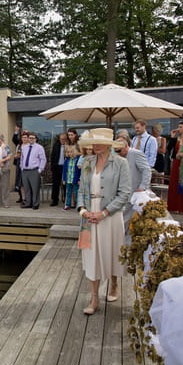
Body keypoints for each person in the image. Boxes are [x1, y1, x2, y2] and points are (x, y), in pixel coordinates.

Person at [77, 128, 131, 315]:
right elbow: (81, 189)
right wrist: (83, 210)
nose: (95, 145)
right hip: (89, 214)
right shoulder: (87, 162)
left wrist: (104, 212)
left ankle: (114, 283)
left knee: (112, 251)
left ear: (109, 144)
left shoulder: (121, 163)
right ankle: (94, 299)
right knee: (91, 255)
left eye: (99, 142)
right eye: (94, 142)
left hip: (110, 214)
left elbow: (125, 193)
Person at [115, 135, 151, 244]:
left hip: (136, 193)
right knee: (123, 220)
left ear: (126, 146)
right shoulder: (119, 157)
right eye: (115, 151)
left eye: (119, 150)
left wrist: (142, 187)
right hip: (123, 194)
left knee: (130, 221)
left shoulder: (136, 153)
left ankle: (127, 245)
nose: (118, 153)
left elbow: (146, 170)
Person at [167, 121, 183, 214]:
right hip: (176, 161)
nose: (179, 129)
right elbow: (169, 148)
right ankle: (174, 206)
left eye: (181, 127)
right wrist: (172, 137)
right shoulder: (177, 138)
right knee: (174, 182)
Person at [19, 132, 47, 210]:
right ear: (28, 138)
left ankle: (35, 204)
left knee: (35, 188)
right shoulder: (24, 147)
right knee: (26, 188)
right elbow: (22, 158)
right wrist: (21, 167)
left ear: (35, 139)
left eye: (33, 138)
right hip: (25, 170)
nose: (31, 139)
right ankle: (28, 203)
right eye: (30, 138)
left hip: (34, 170)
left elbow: (43, 159)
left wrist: (40, 170)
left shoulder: (39, 147)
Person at [50, 133, 68, 206]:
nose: (62, 140)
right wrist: (52, 166)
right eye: (61, 139)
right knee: (55, 184)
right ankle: (54, 200)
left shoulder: (68, 146)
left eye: (64, 139)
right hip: (57, 167)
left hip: (66, 167)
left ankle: (66, 199)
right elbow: (52, 156)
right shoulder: (56, 146)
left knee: (65, 184)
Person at [62, 144, 81, 210]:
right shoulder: (67, 160)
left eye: (71, 152)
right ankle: (67, 205)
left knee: (76, 192)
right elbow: (64, 170)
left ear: (74, 152)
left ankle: (78, 205)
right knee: (68, 192)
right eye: (68, 152)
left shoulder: (78, 159)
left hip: (75, 179)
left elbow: (79, 171)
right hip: (68, 179)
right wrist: (64, 179)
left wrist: (79, 179)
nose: (69, 153)